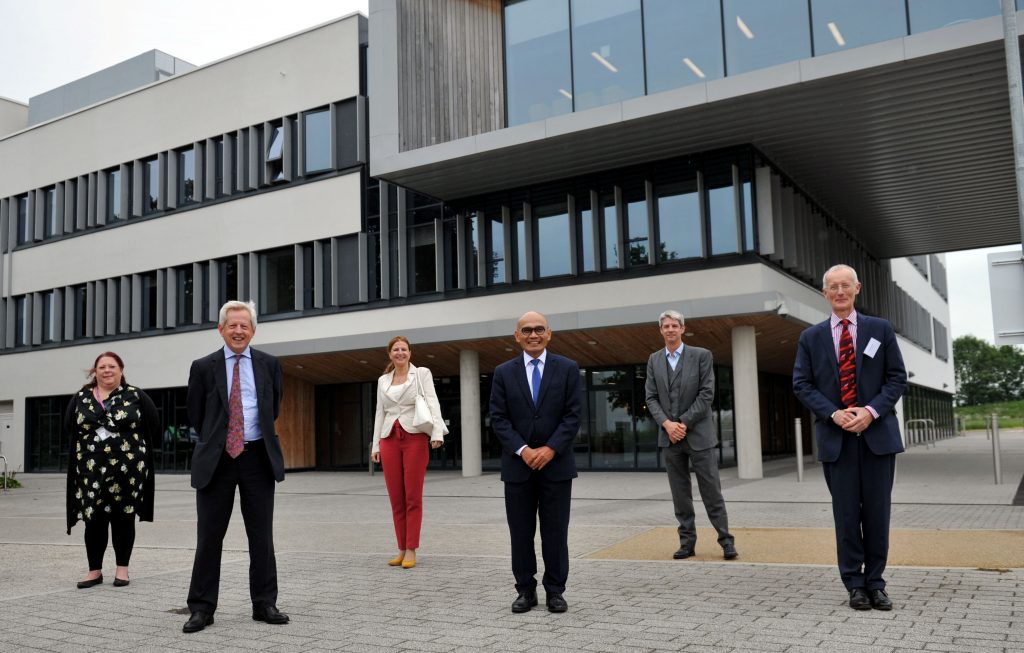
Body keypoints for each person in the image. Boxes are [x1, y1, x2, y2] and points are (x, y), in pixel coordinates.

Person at [793, 264, 907, 612]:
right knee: (845, 516)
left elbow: (896, 378)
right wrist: (834, 413)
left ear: (857, 288)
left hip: (877, 438)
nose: (839, 291)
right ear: (824, 293)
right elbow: (802, 384)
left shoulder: (880, 329)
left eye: (845, 285)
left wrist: (869, 412)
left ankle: (876, 583)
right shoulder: (810, 337)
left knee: (877, 513)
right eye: (832, 287)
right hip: (836, 439)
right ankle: (854, 585)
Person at [183, 300, 288, 633]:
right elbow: (196, 413)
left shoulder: (270, 364)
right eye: (232, 325)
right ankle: (201, 608)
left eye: (245, 325)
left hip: (257, 458)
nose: (238, 330)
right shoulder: (203, 366)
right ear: (221, 329)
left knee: (261, 536)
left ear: (253, 330)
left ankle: (264, 604)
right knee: (209, 537)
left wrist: (246, 437)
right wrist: (222, 438)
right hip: (217, 460)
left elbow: (272, 409)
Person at [489, 311, 581, 614]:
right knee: (521, 532)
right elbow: (499, 418)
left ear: (549, 333)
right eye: (526, 330)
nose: (533, 334)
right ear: (517, 336)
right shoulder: (503, 372)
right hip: (518, 467)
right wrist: (523, 449)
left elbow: (572, 415)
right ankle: (525, 591)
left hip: (556, 466)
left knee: (556, 533)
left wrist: (551, 448)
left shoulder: (567, 369)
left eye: (539, 329)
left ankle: (555, 591)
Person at [644, 310, 737, 561]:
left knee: (711, 491)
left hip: (698, 436)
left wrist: (681, 423)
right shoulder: (654, 359)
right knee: (680, 494)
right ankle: (687, 543)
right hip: (669, 438)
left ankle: (726, 540)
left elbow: (707, 394)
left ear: (683, 329)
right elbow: (650, 397)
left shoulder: (701, 356)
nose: (671, 329)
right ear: (661, 330)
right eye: (666, 326)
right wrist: (666, 424)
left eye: (675, 325)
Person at [65, 352, 159, 589]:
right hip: (90, 472)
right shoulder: (81, 398)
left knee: (123, 518)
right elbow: (68, 428)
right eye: (102, 367)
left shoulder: (135, 395)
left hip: (127, 472)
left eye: (112, 366)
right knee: (93, 520)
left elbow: (154, 426)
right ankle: (94, 571)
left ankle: (122, 570)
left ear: (121, 370)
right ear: (94, 371)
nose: (107, 370)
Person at [370, 336, 447, 569]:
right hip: (389, 439)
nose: (400, 353)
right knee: (396, 498)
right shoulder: (383, 380)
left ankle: (411, 549)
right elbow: (379, 413)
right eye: (396, 349)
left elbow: (432, 402)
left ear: (410, 353)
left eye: (404, 349)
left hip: (414, 436)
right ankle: (401, 548)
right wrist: (375, 445)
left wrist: (437, 433)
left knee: (412, 496)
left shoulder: (422, 374)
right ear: (390, 354)